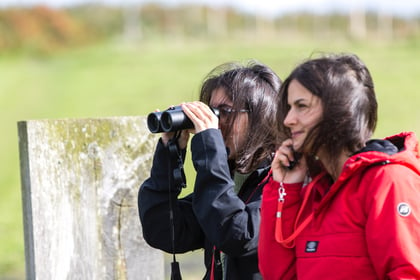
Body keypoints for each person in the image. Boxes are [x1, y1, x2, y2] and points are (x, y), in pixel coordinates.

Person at [258, 53, 420, 279]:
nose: (288, 119)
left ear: (339, 109)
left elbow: (408, 273)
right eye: (289, 107)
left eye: (301, 106)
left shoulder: (388, 180)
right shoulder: (314, 192)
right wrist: (285, 188)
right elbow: (278, 275)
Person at [138, 60, 282, 279]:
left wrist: (209, 148)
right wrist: (169, 154)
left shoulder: (284, 183)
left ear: (258, 118)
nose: (215, 122)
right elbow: (162, 230)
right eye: (211, 111)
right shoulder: (230, 185)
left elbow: (236, 233)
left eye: (224, 111)